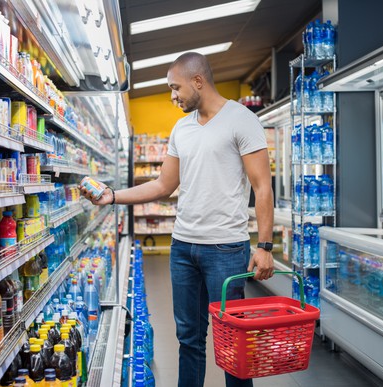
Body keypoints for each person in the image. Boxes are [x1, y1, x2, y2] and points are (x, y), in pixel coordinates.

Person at [80, 52, 274, 387]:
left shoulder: (241, 120)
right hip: (183, 247)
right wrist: (112, 196)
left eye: (175, 87)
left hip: (226, 248)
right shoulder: (181, 128)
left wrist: (266, 246)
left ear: (198, 81)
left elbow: (262, 186)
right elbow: (163, 185)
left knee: (232, 340)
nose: (172, 96)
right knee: (188, 339)